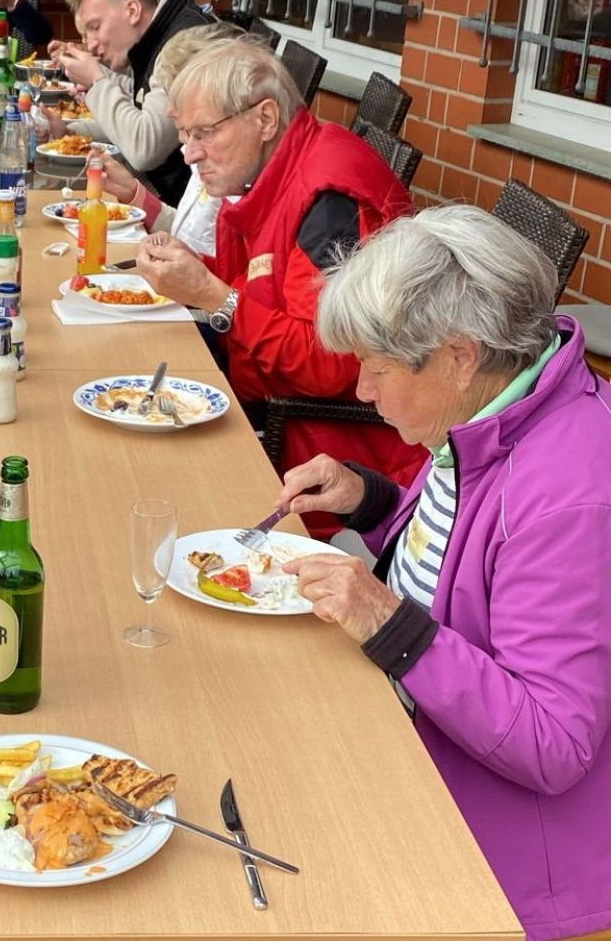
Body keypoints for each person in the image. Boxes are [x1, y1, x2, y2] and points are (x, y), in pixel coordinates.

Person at [276, 204, 611, 941]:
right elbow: (461, 564)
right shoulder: (499, 409)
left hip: (509, 868)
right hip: (423, 749)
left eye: (378, 367)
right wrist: (370, 502)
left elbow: (554, 742)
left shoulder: (565, 494)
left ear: (459, 355)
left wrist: (387, 623)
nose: (362, 391)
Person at [134, 37, 423, 508]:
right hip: (267, 406)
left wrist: (212, 296)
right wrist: (192, 272)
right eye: (185, 135)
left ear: (265, 119)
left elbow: (332, 363)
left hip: (329, 453)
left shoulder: (328, 199)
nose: (189, 154)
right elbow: (264, 288)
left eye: (204, 133)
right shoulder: (282, 169)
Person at [51, 0, 207, 206]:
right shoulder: (156, 40)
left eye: (95, 27)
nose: (91, 45)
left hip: (186, 216)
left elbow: (145, 149)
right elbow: (136, 114)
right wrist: (71, 132)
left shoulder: (182, 44)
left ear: (133, 10)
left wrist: (97, 82)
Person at [99, 21, 244, 257]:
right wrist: (134, 194)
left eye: (179, 98)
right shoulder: (201, 153)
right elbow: (191, 237)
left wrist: (202, 279)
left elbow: (227, 272)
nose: (169, 111)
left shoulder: (238, 176)